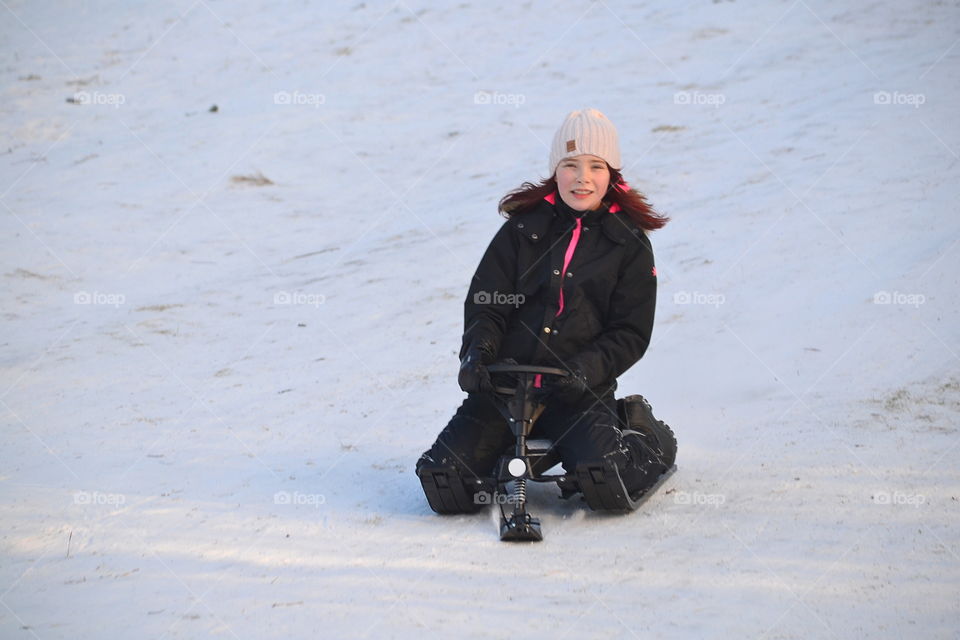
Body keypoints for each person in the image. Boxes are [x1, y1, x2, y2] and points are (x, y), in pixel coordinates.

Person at [416, 108, 672, 513]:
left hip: (579, 391)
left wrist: (584, 371)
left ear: (611, 174)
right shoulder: (522, 229)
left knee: (606, 483)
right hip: (507, 390)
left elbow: (630, 332)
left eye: (595, 166)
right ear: (556, 171)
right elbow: (487, 304)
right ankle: (497, 454)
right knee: (445, 483)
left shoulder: (627, 242)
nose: (582, 177)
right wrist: (478, 354)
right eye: (571, 165)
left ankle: (642, 433)